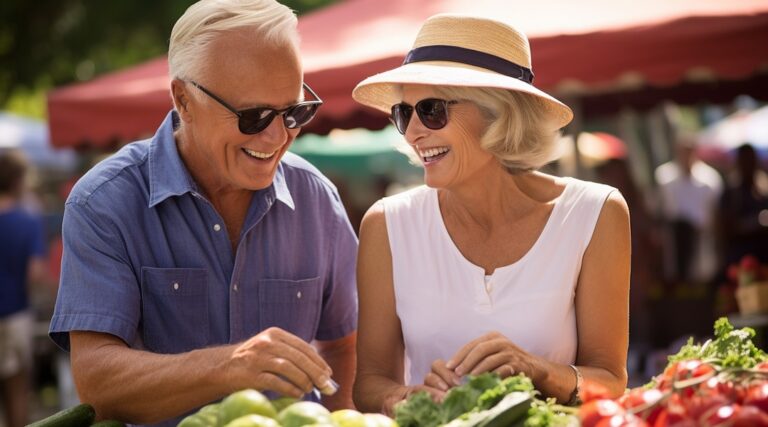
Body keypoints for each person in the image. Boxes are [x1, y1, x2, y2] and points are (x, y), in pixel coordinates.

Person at [48, 1, 358, 425]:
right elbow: (97, 383)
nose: (278, 135)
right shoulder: (105, 202)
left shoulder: (316, 198)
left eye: (294, 112)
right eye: (253, 116)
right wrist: (228, 367)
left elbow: (345, 343)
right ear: (183, 100)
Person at [350, 14, 630, 414]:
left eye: (431, 110)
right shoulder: (387, 225)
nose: (412, 131)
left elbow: (611, 382)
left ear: (499, 114)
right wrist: (406, 398)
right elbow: (370, 384)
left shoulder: (595, 213)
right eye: (402, 113)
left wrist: (537, 370)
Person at [0, 150, 48, 427]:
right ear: (18, 181)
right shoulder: (28, 221)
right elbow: (35, 272)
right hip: (16, 314)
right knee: (18, 394)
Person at [654, 133, 722, 284]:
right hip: (674, 242)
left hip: (702, 242)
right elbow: (659, 210)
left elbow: (716, 214)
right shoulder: (663, 177)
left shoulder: (710, 179)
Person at [718, 143, 768, 266]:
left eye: (751, 160)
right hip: (738, 257)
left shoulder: (763, 189)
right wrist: (755, 223)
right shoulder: (731, 192)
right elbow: (726, 226)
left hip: (763, 256)